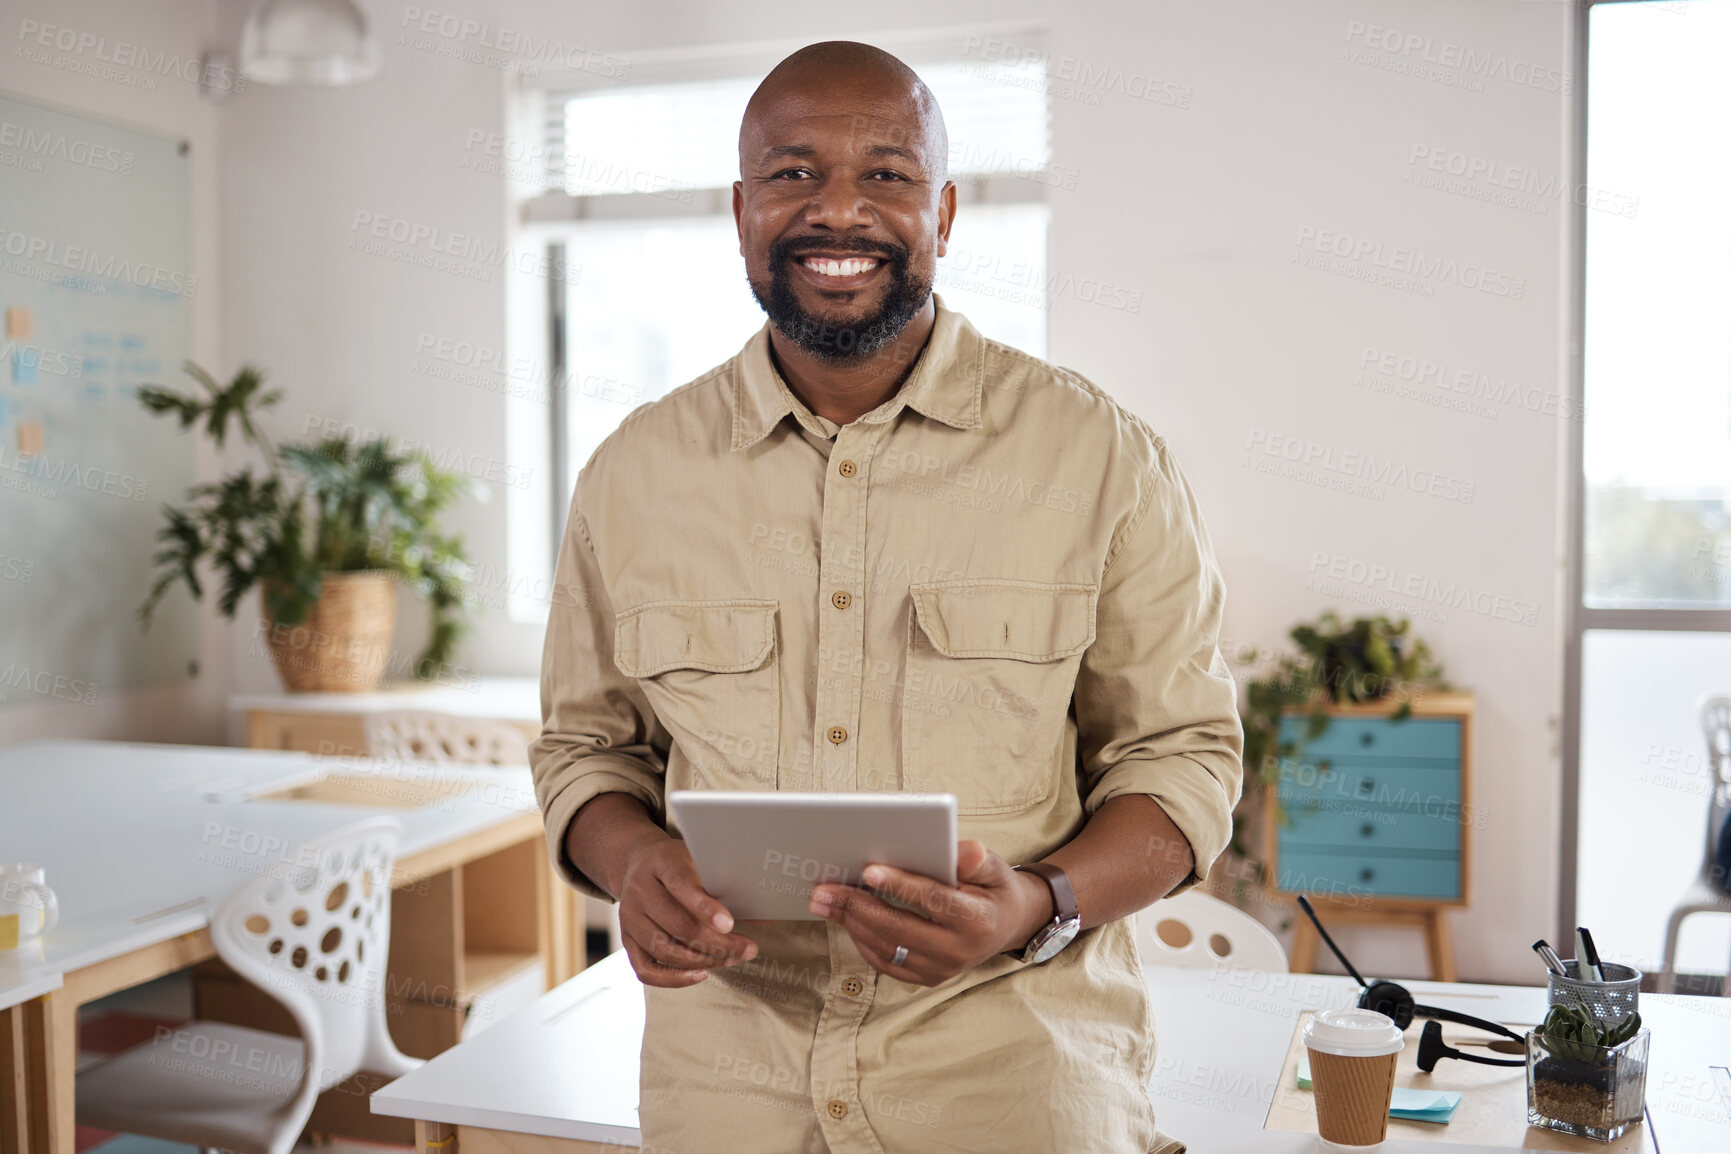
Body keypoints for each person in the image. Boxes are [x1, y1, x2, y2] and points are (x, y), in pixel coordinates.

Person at [530, 39, 1242, 1154]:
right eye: (794, 172)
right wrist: (632, 863)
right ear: (741, 207)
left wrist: (1036, 900)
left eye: (888, 174)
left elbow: (1184, 759)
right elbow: (585, 748)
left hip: (1015, 1068)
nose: (839, 211)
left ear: (945, 212)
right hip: (724, 1082)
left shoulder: (1099, 457)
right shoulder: (633, 472)